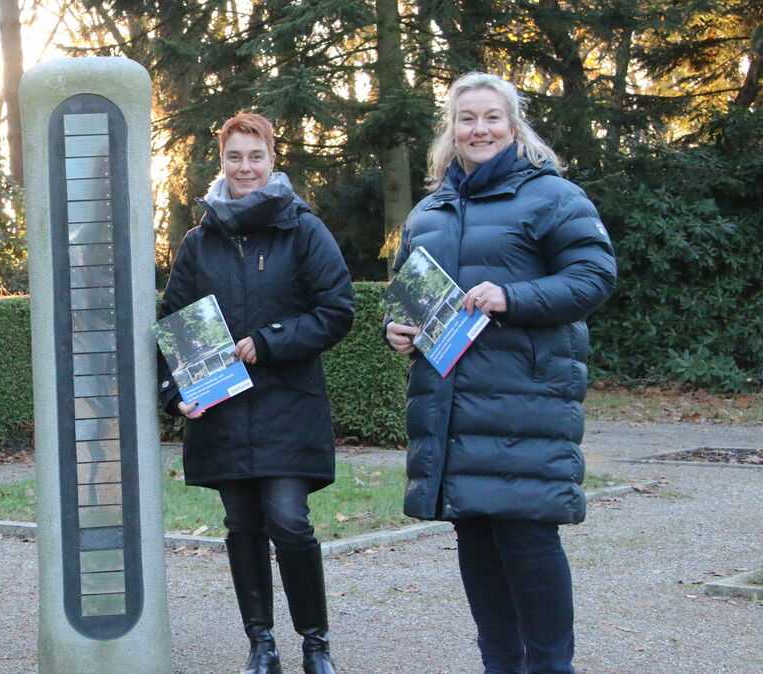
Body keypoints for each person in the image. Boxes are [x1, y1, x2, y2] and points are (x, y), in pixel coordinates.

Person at [385, 72, 617, 673]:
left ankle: (549, 668)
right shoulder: (428, 211)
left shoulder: (553, 197)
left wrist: (510, 296)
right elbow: (407, 297)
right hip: (450, 405)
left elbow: (593, 279)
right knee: (477, 538)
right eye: (467, 118)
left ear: (513, 127)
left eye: (492, 117)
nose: (479, 129)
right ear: (451, 130)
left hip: (525, 401)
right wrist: (399, 329)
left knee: (527, 538)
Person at [159, 113, 355, 674]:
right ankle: (261, 644)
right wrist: (175, 393)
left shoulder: (303, 230)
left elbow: (337, 311)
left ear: (273, 159)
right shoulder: (199, 242)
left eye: (256, 156)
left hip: (288, 404)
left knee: (289, 521)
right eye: (234, 157)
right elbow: (173, 321)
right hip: (221, 410)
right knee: (241, 526)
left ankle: (315, 644)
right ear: (221, 161)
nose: (245, 168)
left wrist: (268, 342)